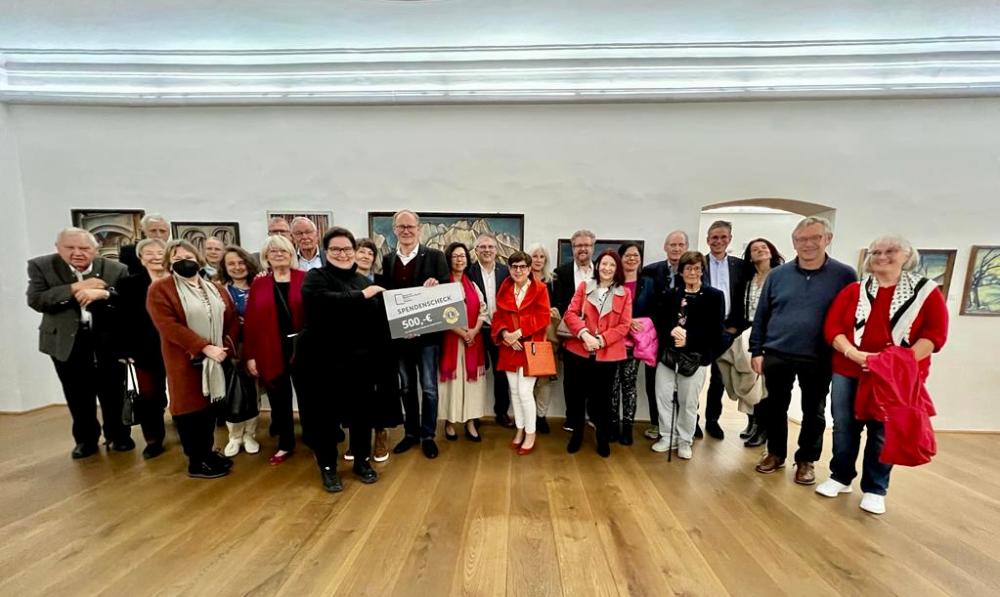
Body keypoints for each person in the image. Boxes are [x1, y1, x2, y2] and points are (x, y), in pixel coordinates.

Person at [818, 235, 948, 514]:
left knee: (883, 430)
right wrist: (854, 354)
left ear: (907, 256)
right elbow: (833, 328)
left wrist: (891, 362)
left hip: (896, 375)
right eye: (876, 252)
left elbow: (934, 336)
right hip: (849, 369)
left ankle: (875, 488)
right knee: (844, 426)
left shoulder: (926, 293)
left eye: (890, 251)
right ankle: (840, 477)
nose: (882, 256)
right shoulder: (854, 291)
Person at [750, 216, 857, 484]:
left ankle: (806, 460)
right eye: (801, 239)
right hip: (778, 352)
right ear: (794, 242)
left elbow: (851, 317)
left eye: (814, 238)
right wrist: (756, 350)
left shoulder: (845, 276)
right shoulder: (777, 275)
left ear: (827, 239)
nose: (807, 244)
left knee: (814, 410)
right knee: (775, 407)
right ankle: (775, 453)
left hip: (819, 356)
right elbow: (762, 314)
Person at [298, 227, 401, 491]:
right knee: (325, 418)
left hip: (359, 363)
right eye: (336, 249)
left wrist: (405, 326)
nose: (342, 253)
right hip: (323, 363)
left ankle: (361, 462)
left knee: (361, 416)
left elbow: (378, 320)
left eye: (347, 249)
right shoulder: (315, 277)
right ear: (326, 251)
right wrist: (362, 296)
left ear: (354, 251)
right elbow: (322, 302)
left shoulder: (362, 281)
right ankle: (328, 468)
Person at [27, 227, 132, 459]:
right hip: (66, 339)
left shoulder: (116, 269)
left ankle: (118, 435)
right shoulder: (41, 266)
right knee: (77, 393)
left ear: (95, 249)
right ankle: (86, 440)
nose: (77, 253)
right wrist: (75, 287)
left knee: (113, 390)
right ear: (58, 248)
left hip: (107, 339)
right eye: (70, 248)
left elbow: (127, 302)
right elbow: (36, 300)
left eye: (84, 248)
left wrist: (104, 293)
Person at [147, 240, 239, 478]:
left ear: (198, 260)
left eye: (188, 257)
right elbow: (168, 326)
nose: (184, 262)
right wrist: (204, 347)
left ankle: (207, 453)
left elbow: (230, 317)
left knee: (209, 409)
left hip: (217, 359)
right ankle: (196, 461)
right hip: (185, 360)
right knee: (190, 410)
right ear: (169, 263)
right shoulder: (161, 289)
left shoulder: (215, 288)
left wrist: (224, 347)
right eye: (177, 259)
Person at [376, 210, 449, 459]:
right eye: (401, 227)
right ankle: (411, 433)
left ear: (419, 228)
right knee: (406, 387)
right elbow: (384, 298)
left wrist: (437, 286)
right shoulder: (387, 260)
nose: (406, 231)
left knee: (429, 388)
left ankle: (428, 435)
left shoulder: (436, 257)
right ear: (394, 229)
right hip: (400, 339)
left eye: (410, 226)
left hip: (428, 338)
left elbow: (445, 293)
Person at [651, 251, 724, 460]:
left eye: (697, 268)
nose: (692, 272)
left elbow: (716, 331)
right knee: (663, 397)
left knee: (688, 402)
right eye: (688, 268)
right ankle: (667, 436)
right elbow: (659, 322)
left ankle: (685, 440)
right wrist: (671, 331)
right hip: (669, 356)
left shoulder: (714, 296)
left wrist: (688, 338)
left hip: (696, 358)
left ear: (702, 271)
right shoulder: (670, 295)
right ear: (681, 272)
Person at [562, 250, 633, 457]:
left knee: (602, 400)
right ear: (597, 266)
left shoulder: (624, 293)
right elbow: (570, 314)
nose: (607, 268)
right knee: (576, 397)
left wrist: (600, 340)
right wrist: (585, 335)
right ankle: (577, 435)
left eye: (612, 265)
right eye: (604, 264)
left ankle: (602, 438)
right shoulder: (584, 287)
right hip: (579, 351)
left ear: (617, 269)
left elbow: (624, 325)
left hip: (607, 355)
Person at [243, 235, 305, 465]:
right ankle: (286, 443)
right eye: (273, 251)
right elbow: (251, 322)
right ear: (266, 256)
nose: (278, 254)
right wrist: (251, 356)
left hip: (302, 347)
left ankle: (313, 437)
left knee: (308, 396)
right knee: (279, 400)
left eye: (283, 250)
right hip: (270, 348)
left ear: (291, 254)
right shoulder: (259, 284)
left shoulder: (305, 278)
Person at [491, 251, 551, 455]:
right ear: (509, 269)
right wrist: (505, 334)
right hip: (510, 347)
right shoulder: (505, 287)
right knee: (515, 392)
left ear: (529, 268)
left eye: (522, 267)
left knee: (525, 392)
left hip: (531, 347)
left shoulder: (540, 288)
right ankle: (520, 429)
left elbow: (543, 317)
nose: (518, 270)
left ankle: (530, 434)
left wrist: (518, 332)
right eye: (514, 267)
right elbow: (498, 316)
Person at [115, 238, 170, 459]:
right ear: (140, 258)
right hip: (143, 350)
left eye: (160, 252)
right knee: (148, 396)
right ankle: (153, 440)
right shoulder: (128, 285)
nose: (155, 257)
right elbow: (121, 320)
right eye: (149, 253)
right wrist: (124, 350)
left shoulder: (180, 281)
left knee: (184, 394)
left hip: (177, 347)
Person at [638, 230, 689, 440]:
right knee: (654, 383)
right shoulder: (650, 271)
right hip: (656, 336)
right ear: (665, 247)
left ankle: (684, 427)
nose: (676, 249)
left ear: (686, 247)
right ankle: (657, 423)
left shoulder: (693, 270)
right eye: (672, 245)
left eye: (680, 245)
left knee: (684, 385)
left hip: (684, 337)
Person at [734, 238, 784, 447]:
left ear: (771, 251)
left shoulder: (779, 277)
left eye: (764, 247)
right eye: (755, 249)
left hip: (770, 335)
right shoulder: (749, 278)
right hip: (748, 331)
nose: (760, 251)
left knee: (764, 383)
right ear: (750, 256)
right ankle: (752, 420)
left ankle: (762, 428)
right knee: (747, 378)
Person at [438, 242, 489, 441]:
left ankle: (470, 422)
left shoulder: (473, 285)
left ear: (467, 260)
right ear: (448, 259)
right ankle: (450, 423)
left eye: (462, 256)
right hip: (452, 341)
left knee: (472, 384)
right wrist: (462, 333)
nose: (459, 260)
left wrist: (473, 332)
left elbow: (483, 310)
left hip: (472, 342)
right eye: (455, 256)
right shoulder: (443, 285)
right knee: (453, 384)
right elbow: (441, 314)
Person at [217, 245, 262, 456]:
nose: (237, 267)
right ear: (225, 267)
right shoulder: (219, 289)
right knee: (233, 392)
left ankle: (250, 434)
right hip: (230, 349)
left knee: (253, 392)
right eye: (231, 264)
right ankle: (234, 436)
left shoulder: (259, 286)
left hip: (256, 346)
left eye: (241, 262)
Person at [702, 221, 745, 441]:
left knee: (719, 378)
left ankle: (712, 420)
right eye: (714, 237)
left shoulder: (740, 266)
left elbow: (744, 297)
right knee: (695, 376)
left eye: (723, 237)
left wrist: (735, 326)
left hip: (728, 328)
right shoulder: (699, 263)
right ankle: (691, 422)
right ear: (708, 240)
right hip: (702, 328)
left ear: (729, 239)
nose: (718, 241)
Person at [611, 241, 655, 445]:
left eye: (635, 255)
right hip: (613, 341)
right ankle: (613, 425)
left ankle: (627, 427)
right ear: (620, 259)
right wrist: (625, 322)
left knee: (629, 384)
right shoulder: (612, 282)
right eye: (627, 255)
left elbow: (654, 310)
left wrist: (639, 323)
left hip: (635, 342)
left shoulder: (648, 283)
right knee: (612, 385)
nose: (632, 259)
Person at [552, 229, 596, 432]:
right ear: (573, 248)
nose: (583, 249)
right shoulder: (561, 272)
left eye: (586, 245)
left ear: (593, 247)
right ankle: (572, 419)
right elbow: (559, 303)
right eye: (579, 245)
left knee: (594, 380)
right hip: (571, 336)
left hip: (596, 336)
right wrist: (576, 326)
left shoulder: (602, 271)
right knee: (572, 381)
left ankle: (593, 417)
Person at [468, 233, 512, 428]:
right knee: (477, 374)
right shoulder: (468, 272)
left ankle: (501, 412)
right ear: (476, 250)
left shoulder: (506, 272)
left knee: (501, 373)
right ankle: (473, 414)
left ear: (496, 250)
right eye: (482, 247)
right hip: (477, 330)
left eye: (490, 247)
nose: (487, 250)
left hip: (500, 331)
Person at [528, 242, 558, 434]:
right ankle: (528, 417)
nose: (538, 260)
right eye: (535, 256)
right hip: (527, 336)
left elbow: (560, 305)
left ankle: (540, 416)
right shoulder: (521, 279)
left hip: (547, 338)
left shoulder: (553, 281)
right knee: (526, 381)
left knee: (544, 380)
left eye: (542, 257)